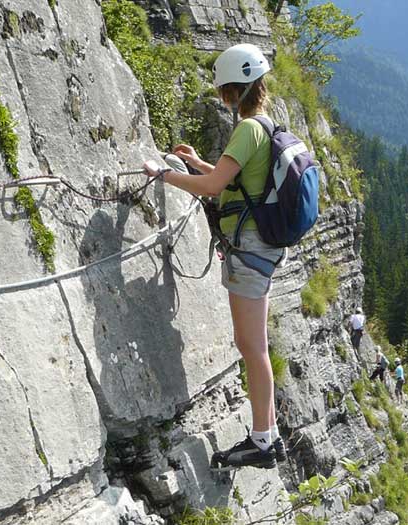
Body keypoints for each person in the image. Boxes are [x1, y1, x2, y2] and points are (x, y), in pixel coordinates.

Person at [142, 43, 284, 470]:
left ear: (233, 91)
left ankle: (262, 441)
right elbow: (231, 181)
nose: (223, 97)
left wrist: (164, 174)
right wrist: (198, 161)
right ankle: (269, 434)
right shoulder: (265, 126)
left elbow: (211, 189)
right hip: (263, 246)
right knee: (253, 345)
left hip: (250, 251)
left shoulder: (247, 130)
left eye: (224, 90)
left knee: (251, 346)